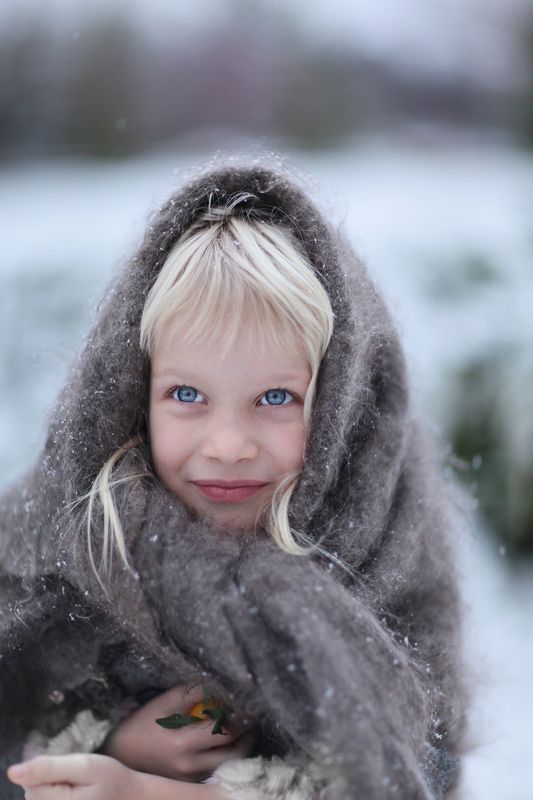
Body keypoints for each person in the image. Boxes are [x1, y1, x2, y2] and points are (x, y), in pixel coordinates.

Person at [0, 155, 468, 799]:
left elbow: (420, 767)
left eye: (275, 399)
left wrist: (164, 793)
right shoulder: (68, 530)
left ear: (338, 408)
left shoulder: (385, 535)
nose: (226, 446)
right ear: (134, 391)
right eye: (187, 393)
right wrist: (114, 743)